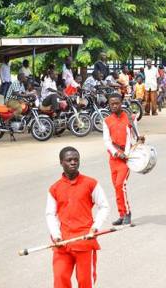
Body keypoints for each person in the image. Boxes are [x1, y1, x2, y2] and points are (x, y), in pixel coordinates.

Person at [46, 146, 109, 288]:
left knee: (85, 281)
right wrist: (56, 236)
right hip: (63, 243)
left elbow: (104, 206)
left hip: (85, 240)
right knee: (60, 278)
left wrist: (95, 228)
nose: (73, 162)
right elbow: (50, 214)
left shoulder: (91, 183)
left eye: (76, 160)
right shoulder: (54, 188)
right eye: (69, 160)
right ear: (61, 162)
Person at [102, 93, 144, 225]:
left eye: (117, 103)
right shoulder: (106, 121)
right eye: (112, 104)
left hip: (127, 158)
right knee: (116, 187)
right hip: (114, 158)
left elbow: (136, 136)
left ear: (121, 103)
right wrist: (116, 153)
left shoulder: (130, 118)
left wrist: (140, 140)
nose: (114, 106)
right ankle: (121, 214)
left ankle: (127, 213)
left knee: (121, 185)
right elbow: (107, 141)